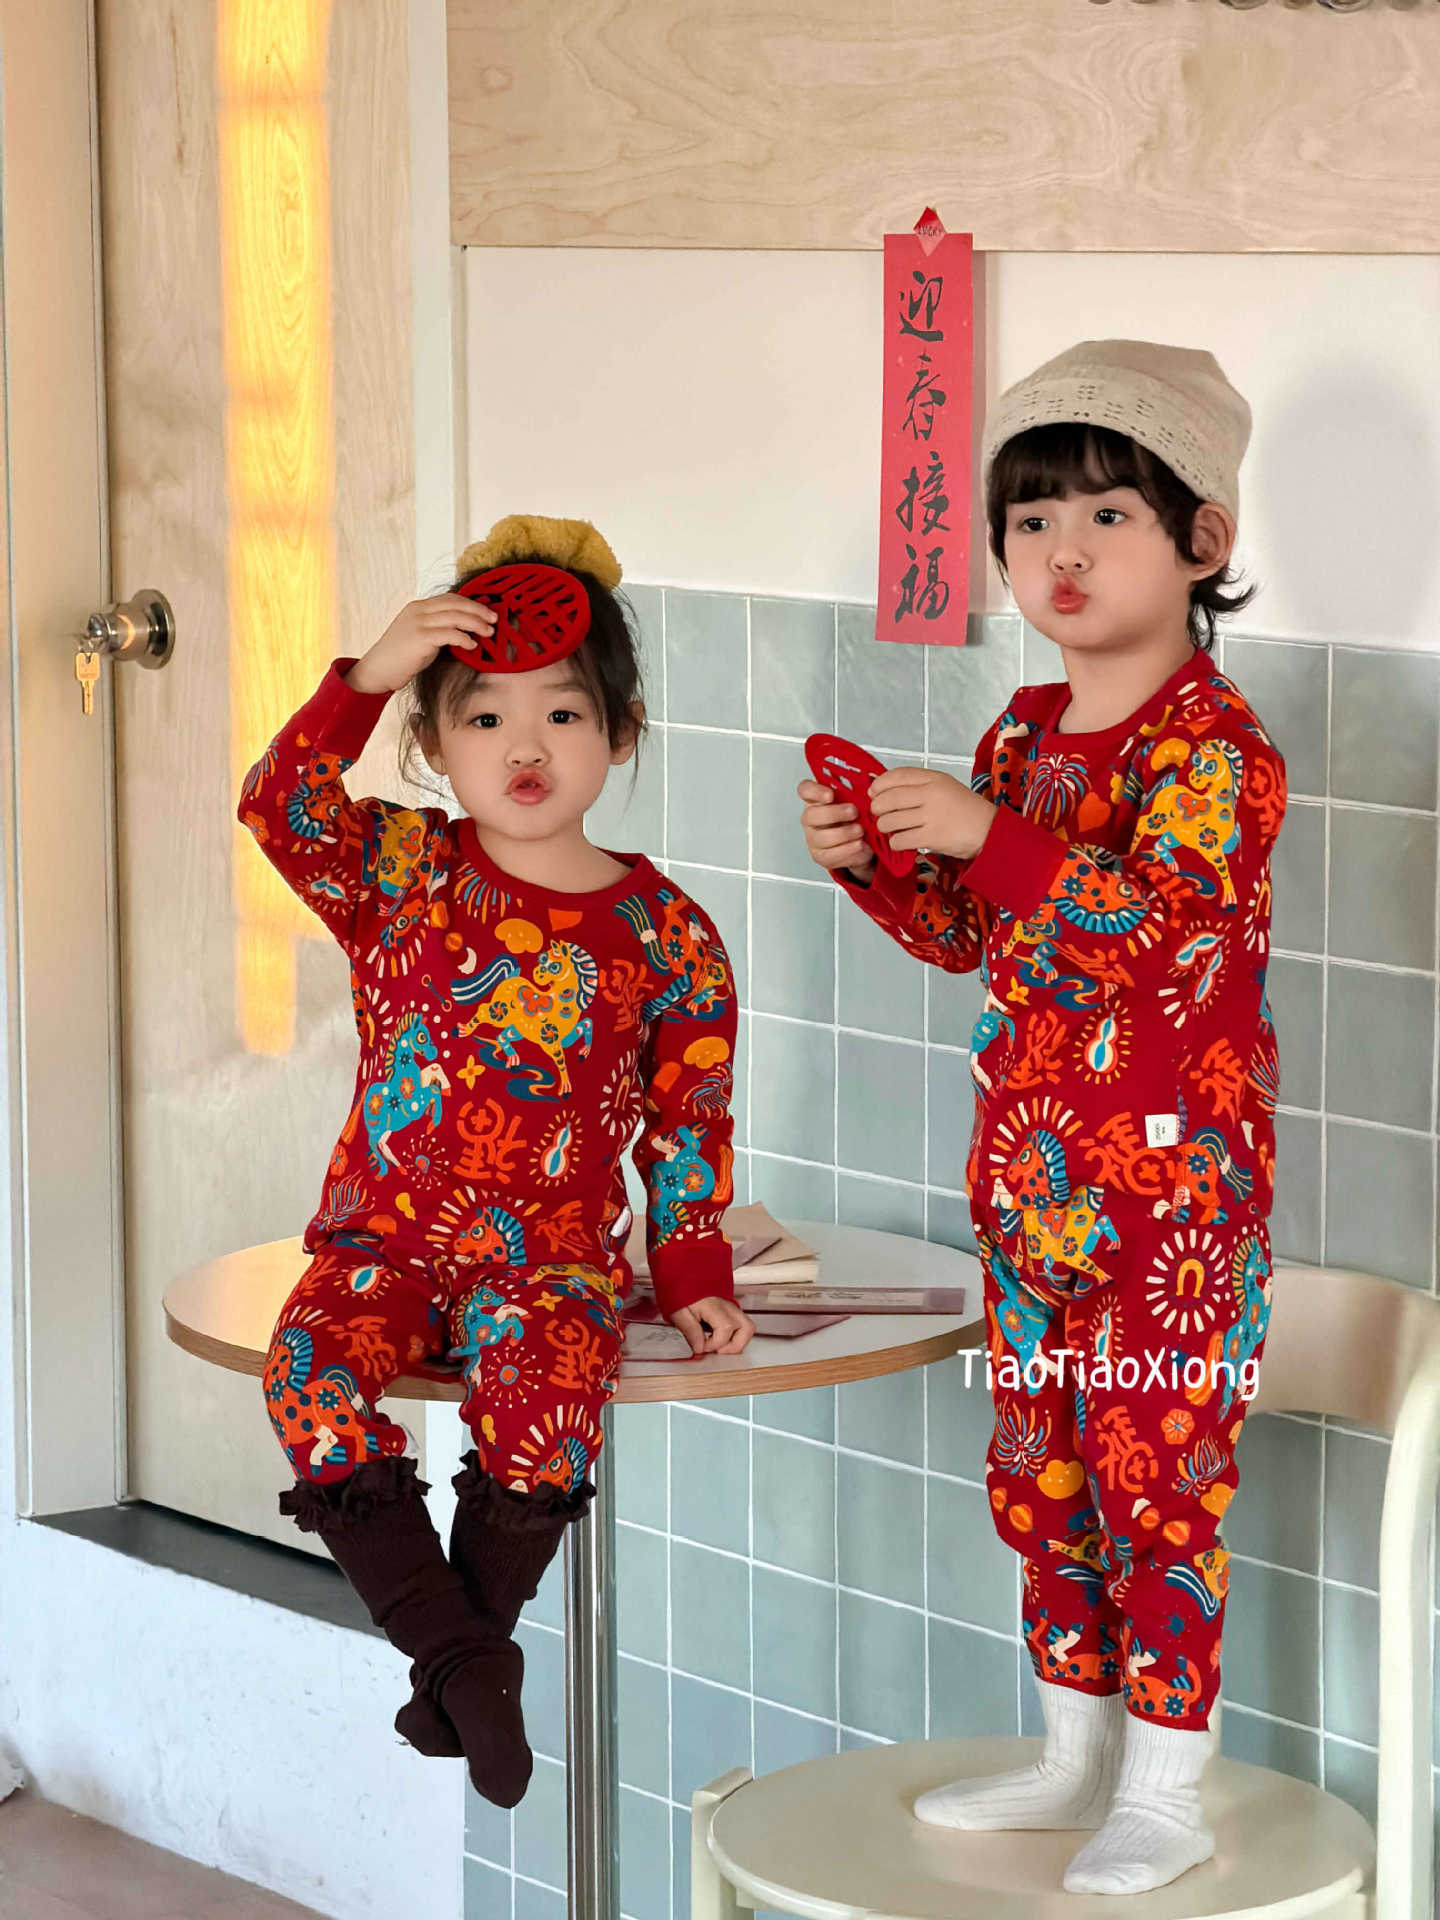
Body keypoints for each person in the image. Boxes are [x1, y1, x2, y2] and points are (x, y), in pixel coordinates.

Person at [798, 342, 1285, 1895]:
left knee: (1159, 1484)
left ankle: (1168, 1790)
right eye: (1030, 521)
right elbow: (975, 936)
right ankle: (1076, 1755)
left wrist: (985, 839)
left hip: (1174, 1216)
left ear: (1203, 540)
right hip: (1029, 1192)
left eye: (1107, 516)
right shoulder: (1018, 740)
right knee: (1042, 1474)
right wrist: (879, 860)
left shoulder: (1220, 751)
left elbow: (1162, 937)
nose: (1062, 552)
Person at [239, 513, 752, 1809]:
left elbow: (688, 1122)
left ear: (622, 732)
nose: (525, 748)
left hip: (552, 1257)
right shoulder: (396, 868)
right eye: (484, 718)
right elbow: (278, 805)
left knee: (553, 1397)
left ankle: (461, 1666)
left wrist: (692, 1267)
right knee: (307, 1375)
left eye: (564, 715)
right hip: (384, 1241)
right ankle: (470, 1662)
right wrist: (365, 674)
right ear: (431, 742)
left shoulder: (668, 932)